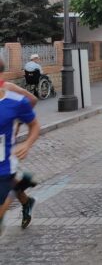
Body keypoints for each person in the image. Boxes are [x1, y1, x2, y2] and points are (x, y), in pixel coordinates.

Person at [0, 58, 40, 237]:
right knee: (12, 180)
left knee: (8, 180)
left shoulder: (11, 91)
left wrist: (18, 121)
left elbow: (32, 100)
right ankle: (24, 192)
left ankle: (19, 182)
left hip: (5, 158)